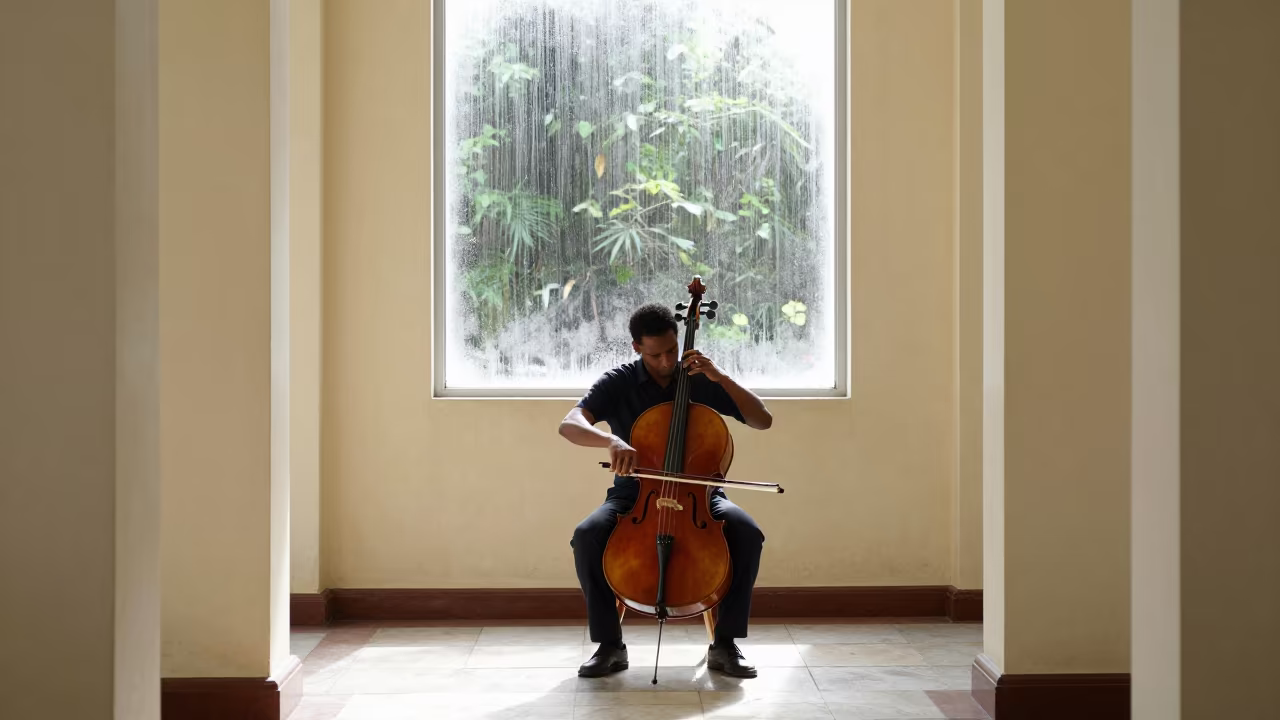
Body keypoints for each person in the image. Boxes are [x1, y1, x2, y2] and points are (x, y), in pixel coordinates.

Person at [558, 303, 774, 679]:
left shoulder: (699, 378)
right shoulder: (620, 381)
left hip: (702, 498)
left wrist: (721, 377)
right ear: (636, 347)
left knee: (747, 533)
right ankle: (609, 646)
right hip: (634, 495)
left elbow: (762, 420)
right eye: (655, 354)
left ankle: (725, 644)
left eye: (672, 351)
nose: (665, 361)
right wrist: (610, 440)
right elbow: (570, 424)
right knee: (587, 536)